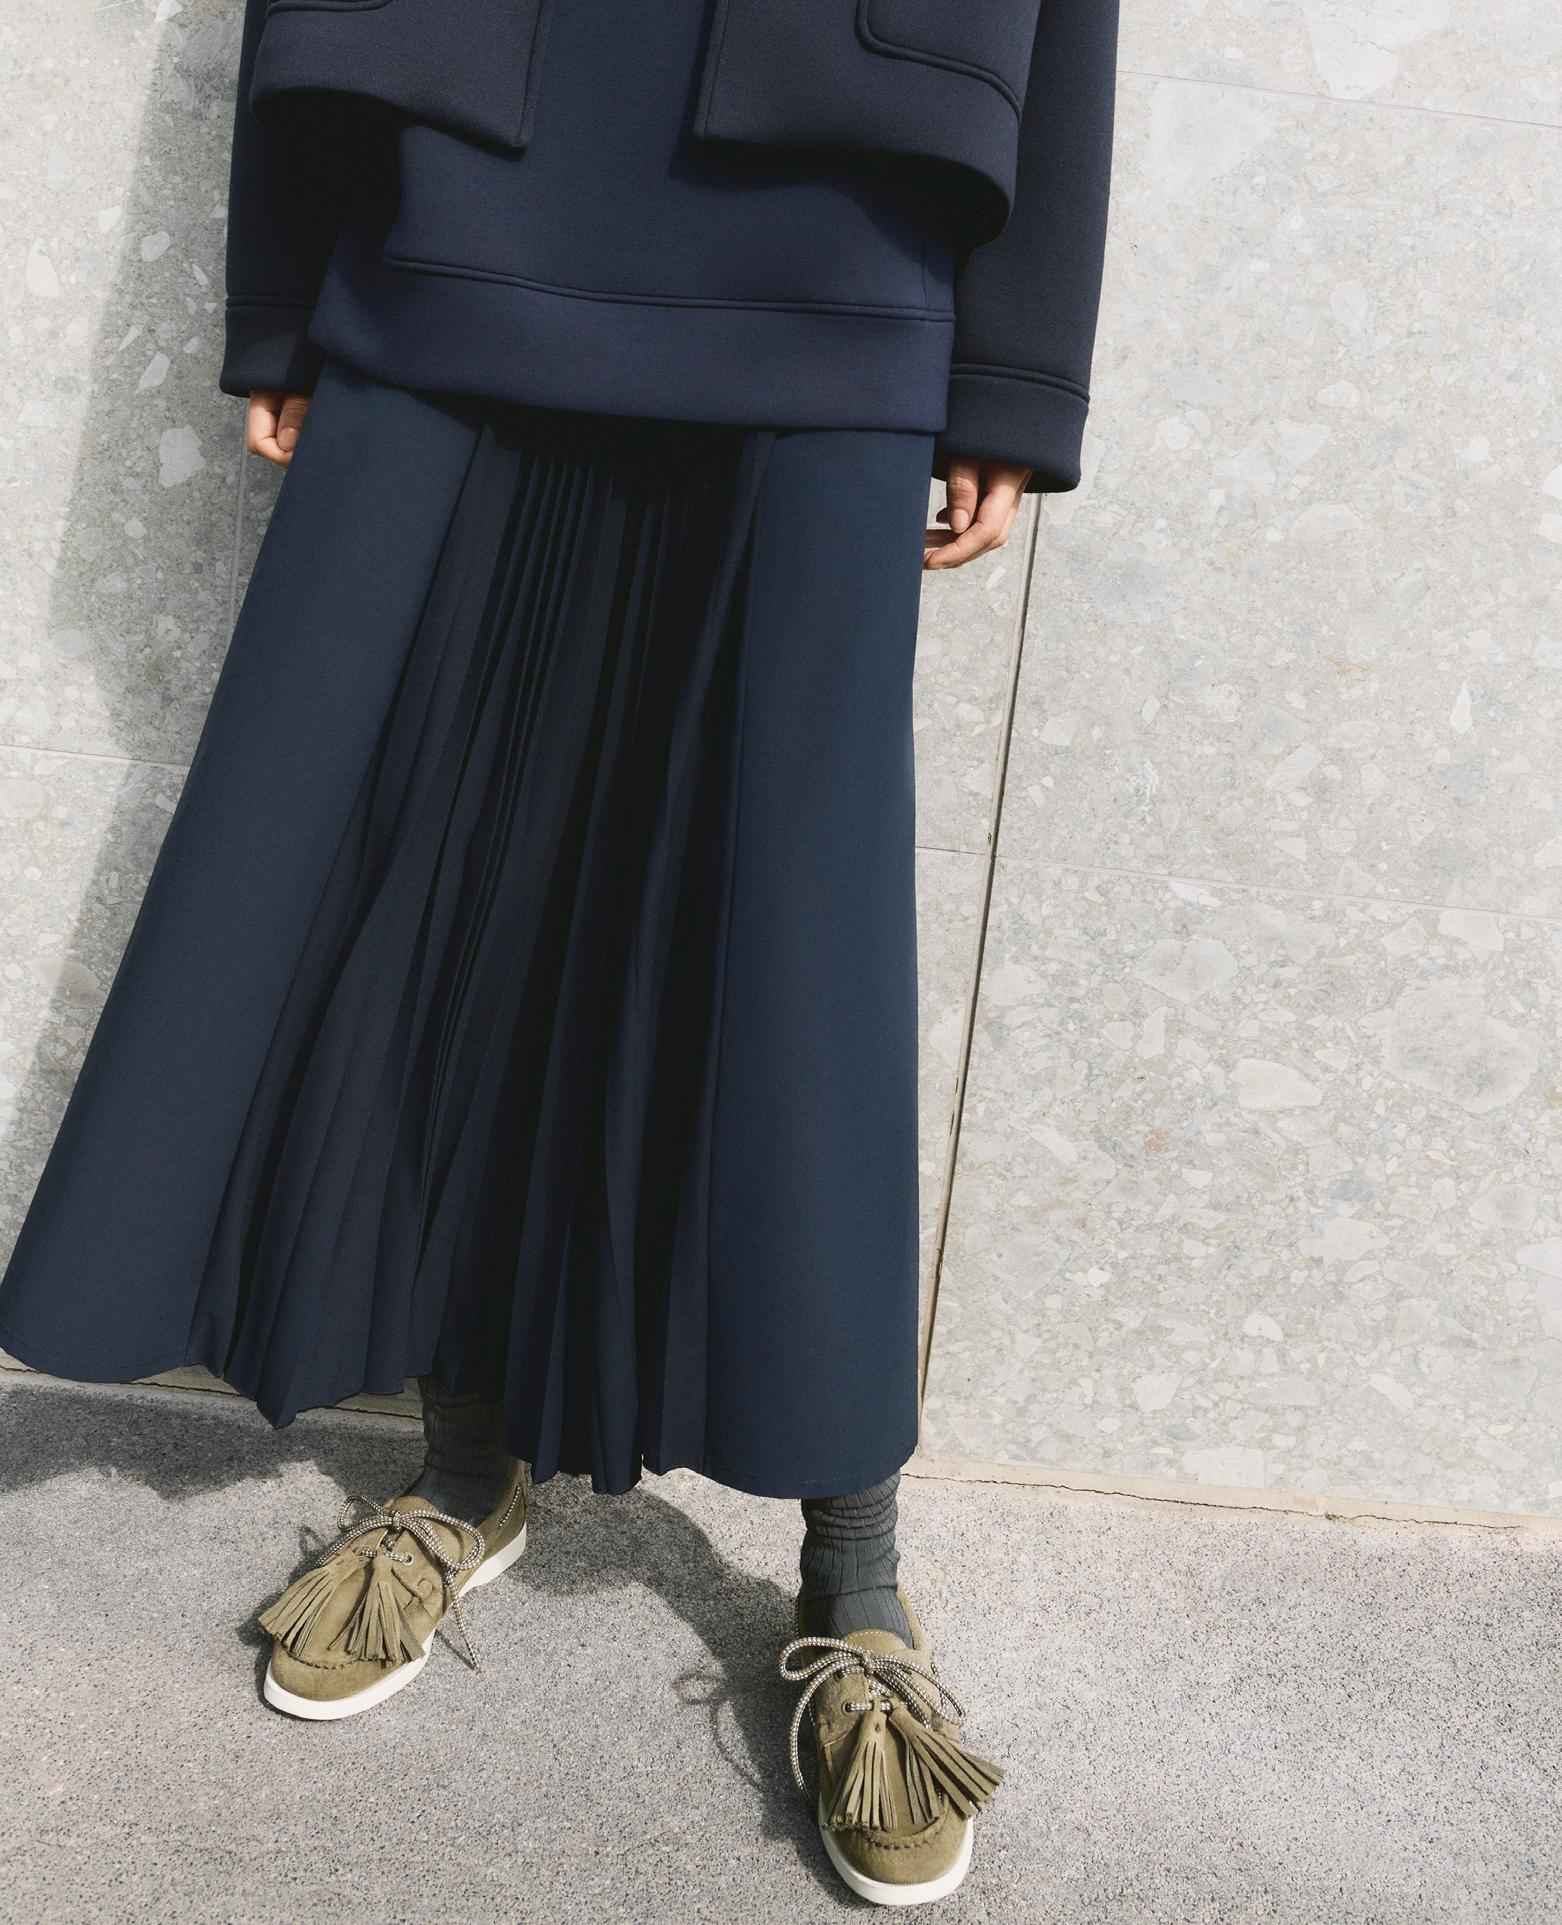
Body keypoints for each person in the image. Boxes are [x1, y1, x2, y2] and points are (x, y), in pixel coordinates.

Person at [0, 0, 1117, 1904]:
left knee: (801, 951)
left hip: (840, 251)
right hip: (455, 214)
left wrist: (1015, 371)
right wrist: (285, 280)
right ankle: (463, 1470)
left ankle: (856, 1588)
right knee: (439, 872)